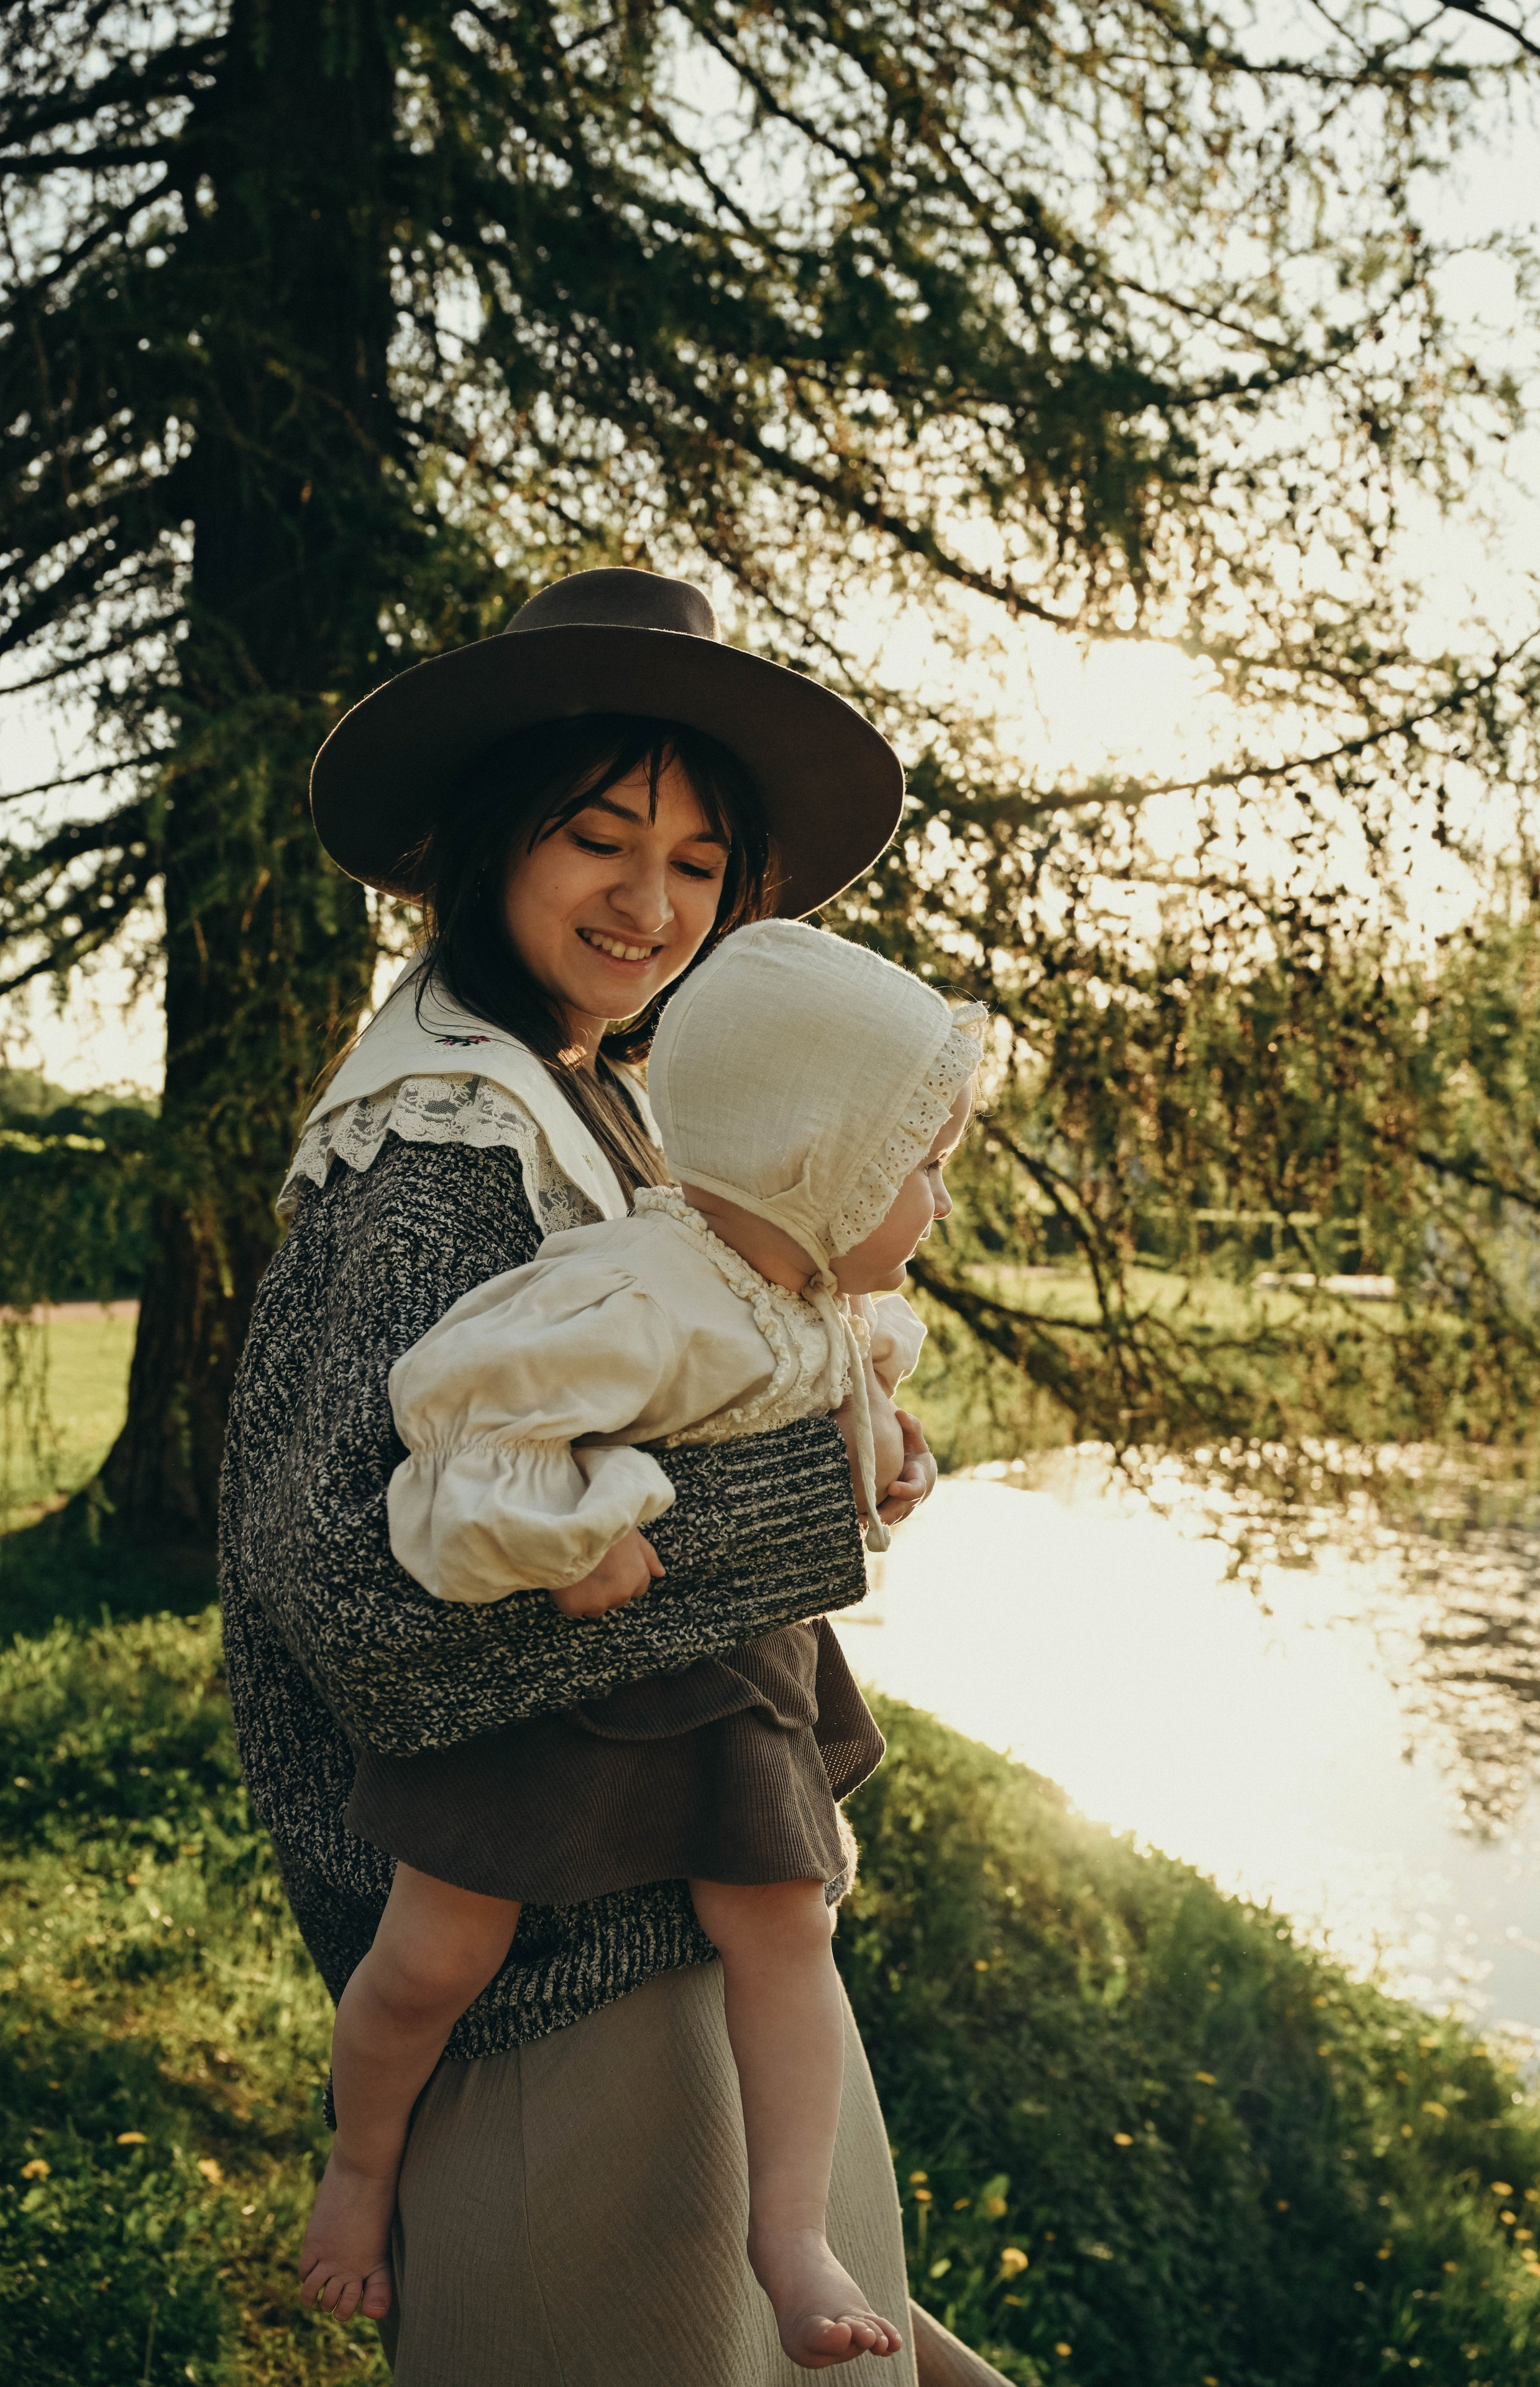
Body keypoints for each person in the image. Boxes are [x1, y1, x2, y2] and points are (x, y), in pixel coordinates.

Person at [220, 565, 1006, 2385]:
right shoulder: (435, 1156)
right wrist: (801, 1508)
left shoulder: (592, 1103)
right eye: (601, 841)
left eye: (700, 867)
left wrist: (837, 1432)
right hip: (551, 1998)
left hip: (674, 1922)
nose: (654, 905)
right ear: (494, 838)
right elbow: (351, 1603)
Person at [296, 921, 983, 2366]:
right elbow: (457, 1418)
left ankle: (789, 2237)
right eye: (918, 1166)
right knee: (434, 1953)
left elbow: (838, 1381)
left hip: (730, 1685)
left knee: (783, 1931)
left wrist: (882, 1451)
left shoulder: (805, 1296)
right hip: (563, 1695)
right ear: (821, 1161)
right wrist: (577, 1522)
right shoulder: (638, 1293)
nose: (935, 1198)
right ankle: (359, 2173)